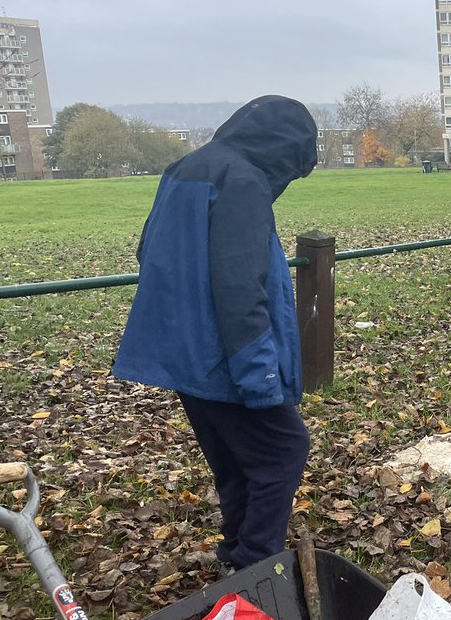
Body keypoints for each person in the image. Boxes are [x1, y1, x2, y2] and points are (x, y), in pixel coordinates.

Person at [113, 95, 318, 571]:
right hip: (223, 353)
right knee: (284, 449)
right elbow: (238, 286)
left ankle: (234, 557)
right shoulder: (242, 181)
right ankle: (254, 567)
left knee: (235, 460)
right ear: (286, 153)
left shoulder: (185, 167)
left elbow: (149, 250)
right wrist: (260, 377)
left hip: (183, 354)